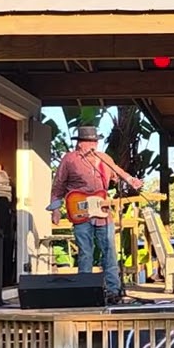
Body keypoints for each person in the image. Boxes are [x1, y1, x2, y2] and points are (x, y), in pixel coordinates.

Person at [47, 125, 144, 303]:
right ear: (80, 144)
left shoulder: (104, 159)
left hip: (103, 212)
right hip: (80, 212)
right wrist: (55, 210)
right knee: (85, 252)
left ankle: (113, 291)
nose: (93, 145)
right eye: (89, 142)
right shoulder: (69, 159)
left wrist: (130, 180)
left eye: (95, 141)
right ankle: (84, 290)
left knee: (110, 251)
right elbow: (58, 185)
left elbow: (117, 174)